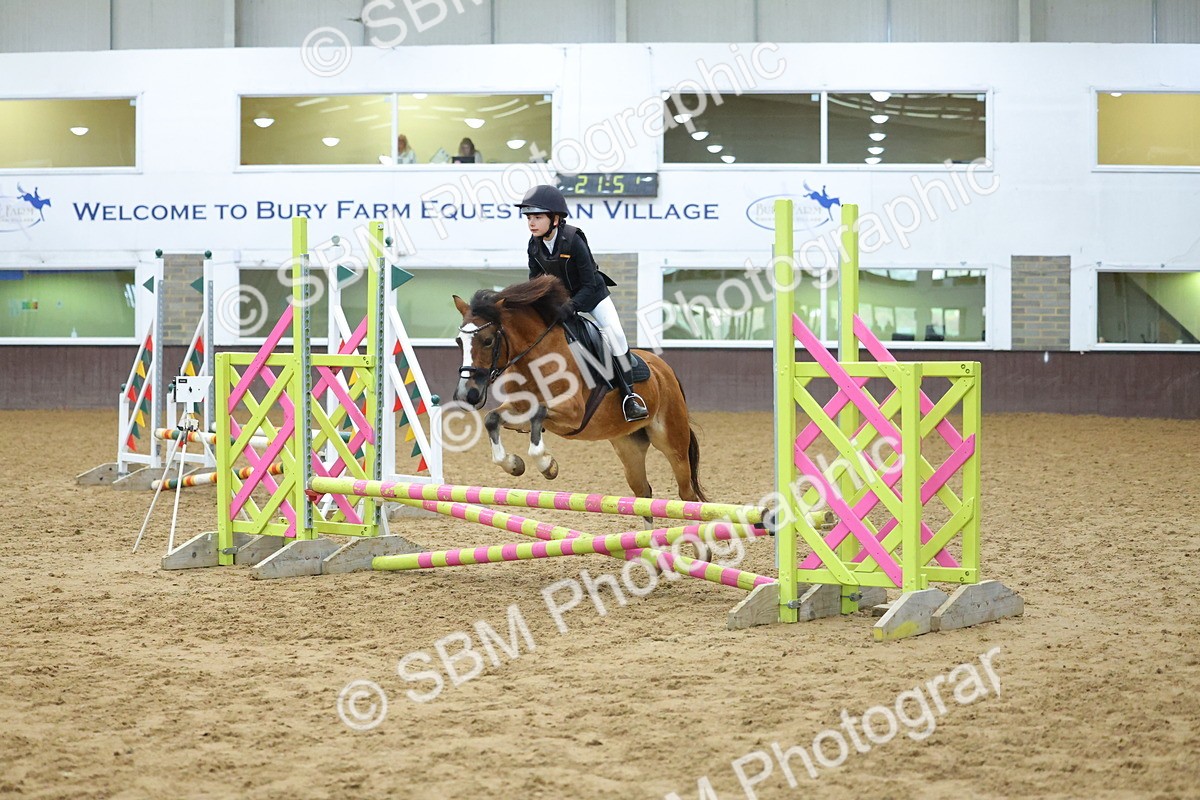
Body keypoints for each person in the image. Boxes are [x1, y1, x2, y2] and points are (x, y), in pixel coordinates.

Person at [515, 184, 648, 422]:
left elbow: (588, 283)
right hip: (562, 301)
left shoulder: (573, 240)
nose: (531, 223)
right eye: (529, 218)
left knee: (615, 334)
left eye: (537, 217)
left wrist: (571, 306)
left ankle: (630, 396)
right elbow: (535, 282)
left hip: (593, 296)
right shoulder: (533, 244)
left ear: (555, 219)